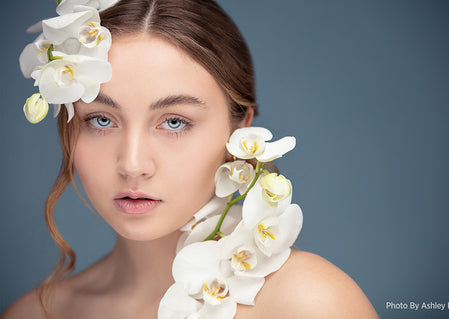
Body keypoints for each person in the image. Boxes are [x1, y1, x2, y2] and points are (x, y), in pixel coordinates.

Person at [2, 0, 379, 318]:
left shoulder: (311, 303)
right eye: (101, 120)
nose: (133, 164)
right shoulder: (33, 314)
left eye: (174, 122)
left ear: (240, 131)